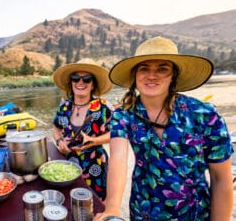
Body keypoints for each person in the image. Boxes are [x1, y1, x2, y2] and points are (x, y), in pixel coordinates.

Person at [95, 37, 234, 220]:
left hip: (195, 214)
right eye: (144, 68)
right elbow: (119, 160)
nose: (152, 75)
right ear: (135, 75)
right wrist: (112, 207)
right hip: (144, 211)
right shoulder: (124, 115)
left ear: (173, 75)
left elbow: (221, 179)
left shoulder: (204, 114)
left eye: (162, 68)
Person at [52, 59, 113, 200]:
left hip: (95, 165)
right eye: (75, 78)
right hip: (68, 165)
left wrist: (94, 140)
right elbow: (55, 127)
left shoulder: (103, 107)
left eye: (86, 79)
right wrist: (59, 141)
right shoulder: (64, 106)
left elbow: (117, 133)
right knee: (69, 200)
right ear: (71, 82)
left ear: (92, 85)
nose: (80, 82)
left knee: (96, 203)